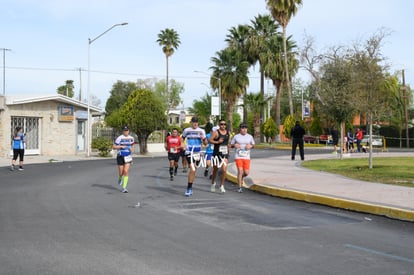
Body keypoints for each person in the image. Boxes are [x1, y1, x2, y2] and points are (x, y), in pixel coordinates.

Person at [181, 117, 207, 197]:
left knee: (194, 170)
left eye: (196, 122)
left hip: (197, 152)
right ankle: (188, 188)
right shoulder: (187, 130)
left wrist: (204, 140)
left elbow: (205, 143)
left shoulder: (201, 131)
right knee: (192, 169)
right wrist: (183, 144)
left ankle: (190, 186)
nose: (195, 124)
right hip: (189, 151)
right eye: (193, 122)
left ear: (198, 123)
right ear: (191, 123)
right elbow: (182, 139)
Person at [231, 122, 255, 193]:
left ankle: (240, 178)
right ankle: (239, 187)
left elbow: (253, 145)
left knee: (246, 173)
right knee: (240, 171)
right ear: (240, 129)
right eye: (243, 128)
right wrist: (234, 145)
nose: (244, 130)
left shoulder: (250, 136)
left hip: (246, 157)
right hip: (238, 156)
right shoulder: (236, 136)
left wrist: (250, 146)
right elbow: (231, 144)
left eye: (245, 128)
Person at [209, 119, 231, 193]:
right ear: (219, 125)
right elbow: (210, 140)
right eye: (221, 124)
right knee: (215, 169)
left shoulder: (228, 133)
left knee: (224, 170)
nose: (223, 126)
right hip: (216, 153)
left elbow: (228, 143)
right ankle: (213, 183)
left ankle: (222, 186)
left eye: (224, 124)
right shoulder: (216, 132)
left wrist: (228, 151)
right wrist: (217, 142)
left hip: (224, 154)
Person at [113, 126, 135, 193]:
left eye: (127, 130)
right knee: (121, 172)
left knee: (126, 171)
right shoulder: (120, 138)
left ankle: (124, 188)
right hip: (120, 156)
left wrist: (132, 149)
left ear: (129, 131)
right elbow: (113, 147)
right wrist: (120, 146)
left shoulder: (131, 138)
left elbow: (133, 145)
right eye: (125, 131)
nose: (126, 132)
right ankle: (120, 178)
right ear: (123, 131)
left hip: (128, 156)